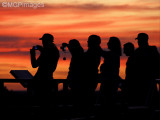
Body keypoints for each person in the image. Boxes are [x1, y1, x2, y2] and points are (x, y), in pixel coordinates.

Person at [127, 33, 160, 106]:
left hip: (144, 81)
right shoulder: (151, 50)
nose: (138, 42)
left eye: (139, 40)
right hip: (145, 81)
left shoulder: (140, 52)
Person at [30, 33, 59, 99]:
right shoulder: (53, 50)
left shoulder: (48, 51)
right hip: (47, 79)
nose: (42, 43)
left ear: (48, 41)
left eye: (44, 41)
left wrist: (33, 54)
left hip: (42, 81)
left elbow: (34, 65)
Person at [99, 37, 122, 118]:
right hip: (110, 82)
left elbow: (101, 52)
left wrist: (96, 45)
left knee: (107, 102)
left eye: (109, 42)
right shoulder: (114, 55)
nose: (107, 44)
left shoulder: (113, 55)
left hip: (109, 83)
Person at [61, 39, 84, 109]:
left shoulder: (78, 51)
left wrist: (67, 45)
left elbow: (73, 51)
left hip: (76, 77)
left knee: (75, 94)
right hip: (74, 76)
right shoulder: (78, 51)